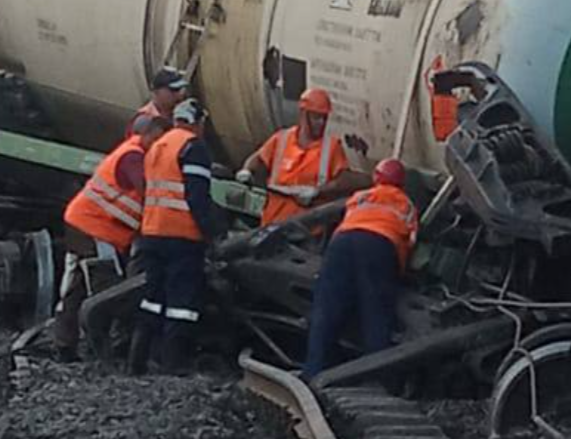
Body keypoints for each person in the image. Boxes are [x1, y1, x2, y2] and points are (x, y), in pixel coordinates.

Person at [55, 114, 169, 362]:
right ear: (148, 136)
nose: (161, 145)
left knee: (76, 287)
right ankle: (105, 351)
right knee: (107, 289)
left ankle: (66, 344)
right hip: (94, 228)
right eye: (159, 140)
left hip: (84, 223)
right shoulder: (133, 156)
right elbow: (149, 191)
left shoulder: (133, 153)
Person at [132, 98, 225, 375]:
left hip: (153, 232)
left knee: (152, 298)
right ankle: (174, 364)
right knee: (182, 303)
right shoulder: (193, 147)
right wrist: (211, 234)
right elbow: (196, 197)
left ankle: (141, 357)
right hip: (181, 235)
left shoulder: (158, 146)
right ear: (198, 122)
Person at [302, 158, 418, 379]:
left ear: (376, 178)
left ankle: (313, 371)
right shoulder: (406, 204)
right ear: (402, 183)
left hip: (342, 243)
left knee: (326, 309)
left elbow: (344, 220)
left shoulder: (359, 197)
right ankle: (377, 379)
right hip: (380, 246)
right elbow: (410, 241)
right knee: (377, 313)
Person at [236, 88, 367, 227]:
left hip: (307, 230)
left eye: (324, 118)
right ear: (304, 114)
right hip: (273, 223)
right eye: (317, 117)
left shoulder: (331, 147)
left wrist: (318, 191)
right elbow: (257, 159)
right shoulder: (282, 139)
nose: (321, 123)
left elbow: (344, 179)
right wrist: (247, 170)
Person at [127, 67, 189, 137]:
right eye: (173, 90)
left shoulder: (186, 115)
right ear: (156, 92)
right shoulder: (145, 120)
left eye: (180, 89)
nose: (179, 94)